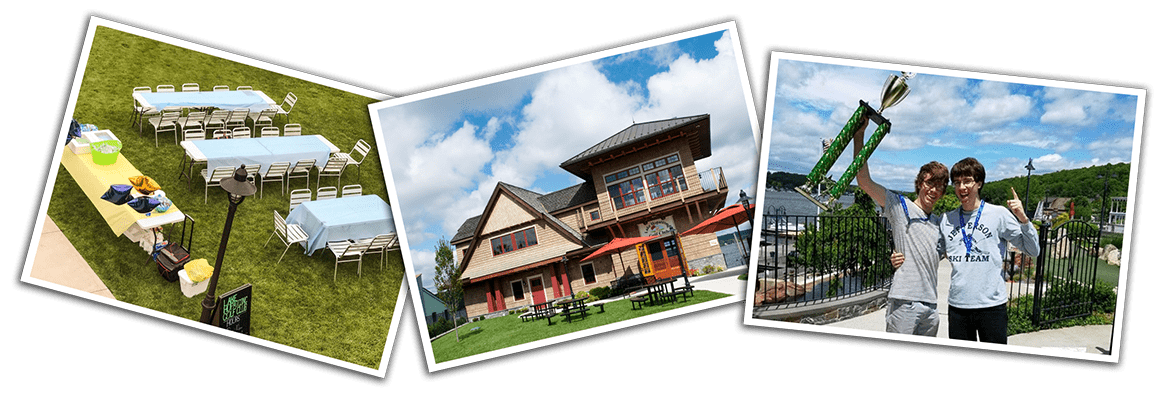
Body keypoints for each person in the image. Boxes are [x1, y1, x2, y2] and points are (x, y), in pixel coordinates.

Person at [851, 120, 948, 336]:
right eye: (930, 183)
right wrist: (859, 136)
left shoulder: (939, 223)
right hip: (905, 303)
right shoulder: (899, 206)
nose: (934, 190)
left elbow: (937, 253)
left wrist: (898, 256)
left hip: (932, 307)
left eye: (939, 186)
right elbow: (864, 181)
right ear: (920, 183)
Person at [940, 157, 1039, 343]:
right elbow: (933, 253)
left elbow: (1033, 250)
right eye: (957, 182)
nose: (962, 187)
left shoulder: (999, 214)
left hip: (991, 307)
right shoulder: (947, 219)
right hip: (958, 306)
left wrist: (1023, 219)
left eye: (967, 181)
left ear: (979, 183)